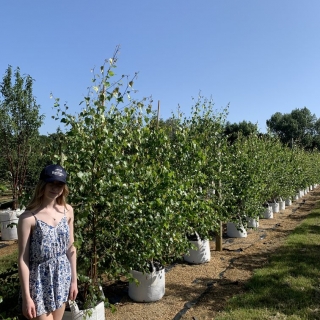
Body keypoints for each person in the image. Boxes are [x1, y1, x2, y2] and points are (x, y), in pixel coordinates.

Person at [18, 164, 78, 319]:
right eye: (51, 183)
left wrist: (74, 281)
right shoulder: (28, 218)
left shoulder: (68, 211)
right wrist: (27, 297)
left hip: (62, 276)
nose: (55, 188)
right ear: (43, 184)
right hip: (38, 281)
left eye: (60, 184)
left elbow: (71, 247)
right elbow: (23, 259)